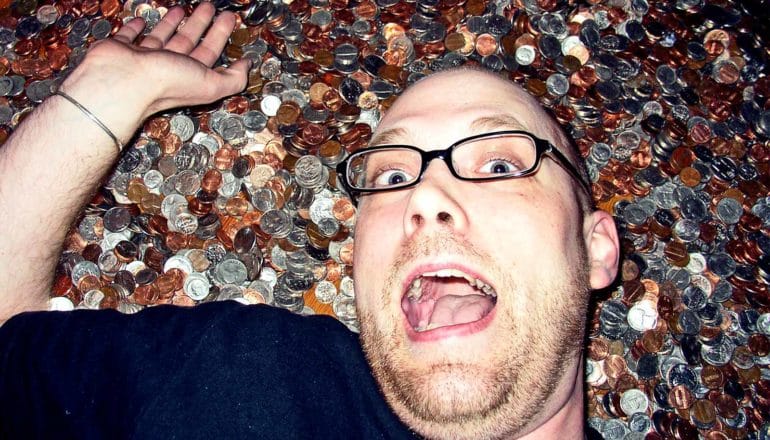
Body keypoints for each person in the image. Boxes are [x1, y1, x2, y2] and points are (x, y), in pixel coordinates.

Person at [0, 4, 620, 439]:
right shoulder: (245, 376)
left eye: (499, 163)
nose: (427, 199)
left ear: (597, 249)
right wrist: (99, 96)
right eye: (393, 178)